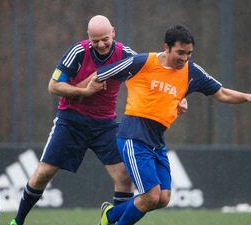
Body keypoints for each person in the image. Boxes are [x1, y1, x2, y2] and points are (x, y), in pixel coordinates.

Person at [10, 15, 187, 225]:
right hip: (71, 122)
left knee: (124, 176)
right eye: (95, 41)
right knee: (43, 173)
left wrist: (177, 100)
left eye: (105, 39)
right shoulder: (78, 52)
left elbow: (156, 79)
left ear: (113, 32)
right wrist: (85, 91)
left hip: (105, 125)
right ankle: (17, 221)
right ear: (88, 37)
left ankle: (110, 220)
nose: (101, 44)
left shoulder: (126, 55)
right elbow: (53, 86)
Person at [87, 25, 251, 225]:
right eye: (180, 52)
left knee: (163, 198)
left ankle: (110, 215)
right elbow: (102, 74)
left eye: (189, 53)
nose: (184, 58)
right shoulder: (142, 61)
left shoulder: (192, 72)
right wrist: (81, 93)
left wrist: (247, 96)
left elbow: (221, 92)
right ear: (166, 47)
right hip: (133, 135)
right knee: (150, 196)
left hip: (156, 141)